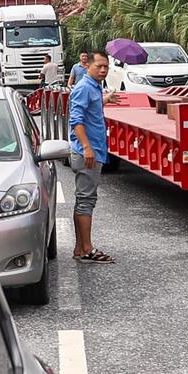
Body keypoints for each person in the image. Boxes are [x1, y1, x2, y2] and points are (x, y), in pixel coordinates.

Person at [68, 51, 112, 263]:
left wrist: (106, 98)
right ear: (88, 66)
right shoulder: (85, 87)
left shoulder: (93, 87)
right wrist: (87, 147)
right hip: (87, 153)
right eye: (99, 66)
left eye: (106, 67)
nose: (103, 70)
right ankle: (87, 248)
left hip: (92, 150)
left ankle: (80, 248)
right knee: (86, 201)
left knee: (84, 200)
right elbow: (76, 120)